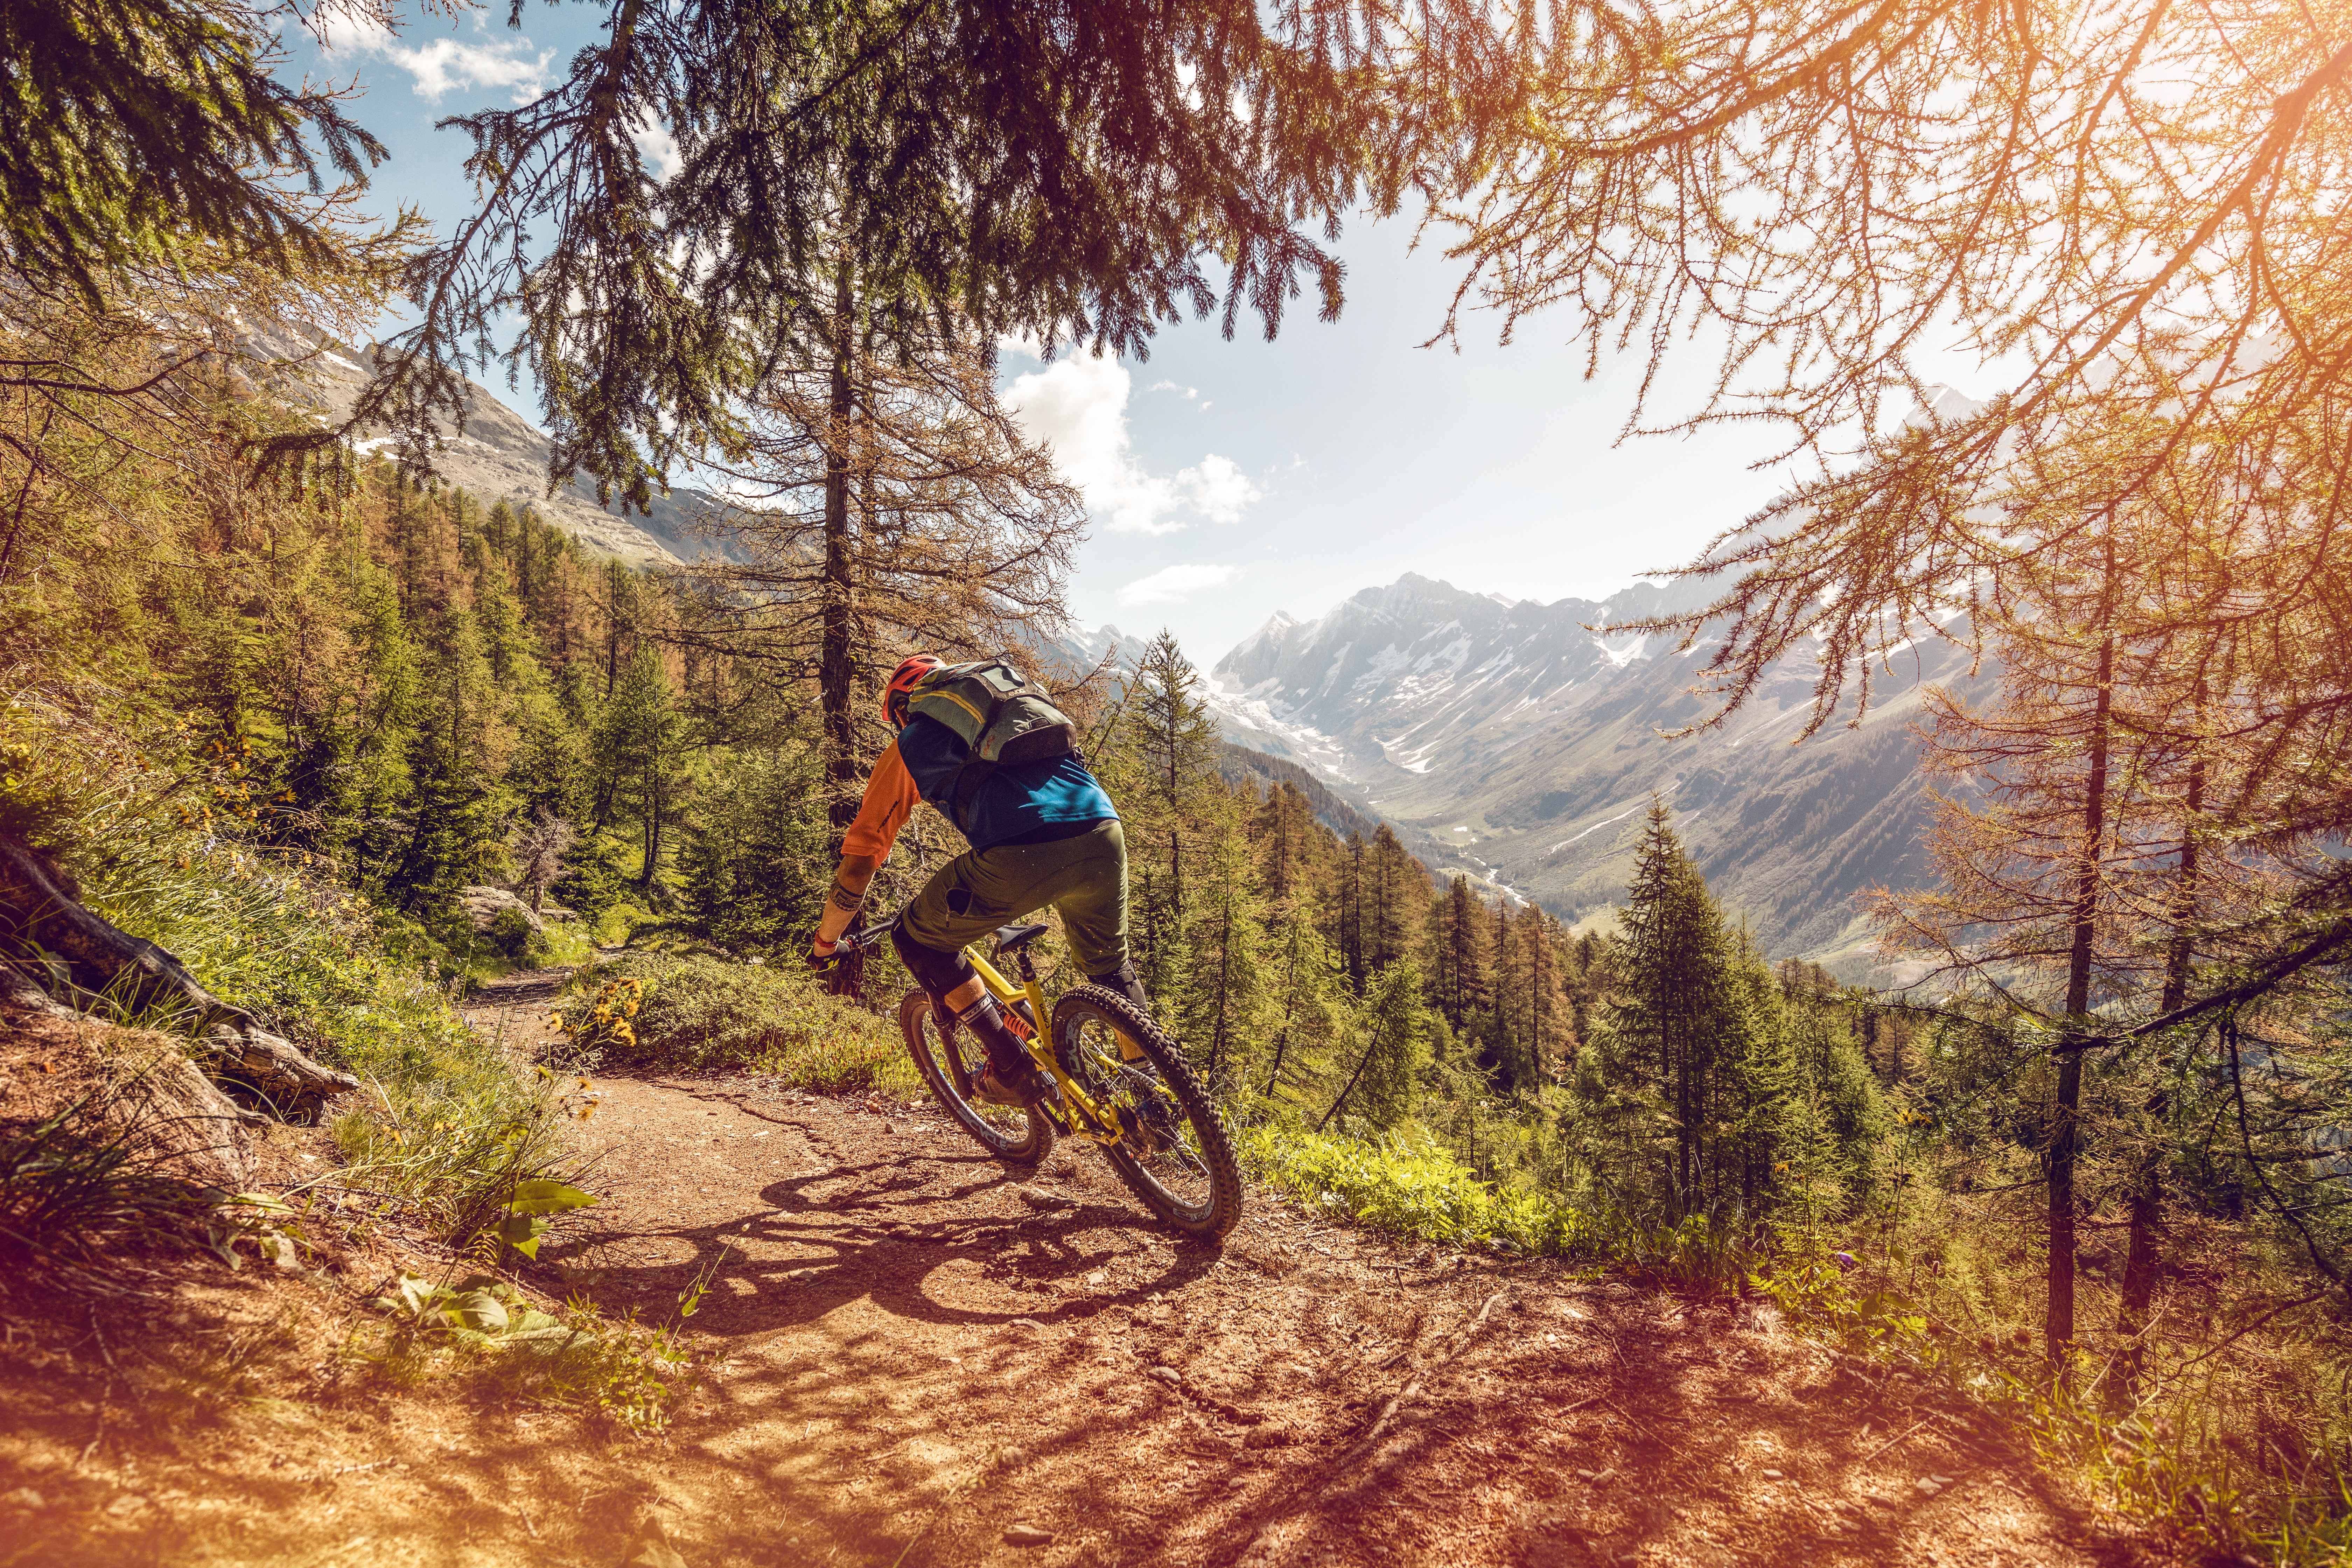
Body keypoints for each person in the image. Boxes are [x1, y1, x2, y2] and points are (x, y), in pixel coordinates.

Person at [810, 654, 1154, 1105]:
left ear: (903, 709)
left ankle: (1011, 1067)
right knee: (1110, 966)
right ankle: (1156, 1098)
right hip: (1103, 830)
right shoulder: (1015, 720)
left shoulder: (912, 743)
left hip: (1021, 848)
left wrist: (826, 942)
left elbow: (861, 860)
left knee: (918, 941)